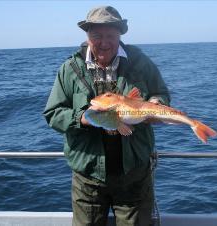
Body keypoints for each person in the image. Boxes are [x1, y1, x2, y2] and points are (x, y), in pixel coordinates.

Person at [43, 6, 170, 226]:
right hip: (88, 177)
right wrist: (81, 119)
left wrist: (155, 105)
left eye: (110, 35)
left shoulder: (140, 63)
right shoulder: (70, 69)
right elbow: (53, 113)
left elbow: (161, 93)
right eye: (97, 35)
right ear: (87, 36)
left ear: (120, 35)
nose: (104, 42)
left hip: (134, 174)